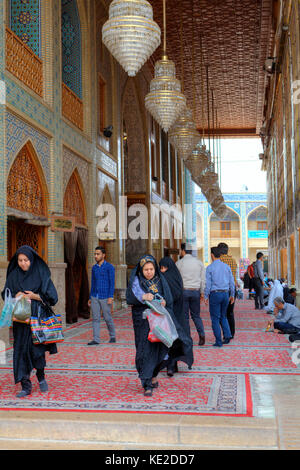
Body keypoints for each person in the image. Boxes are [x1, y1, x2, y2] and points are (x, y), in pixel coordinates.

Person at [1, 245, 59, 397]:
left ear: (32, 260)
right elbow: (5, 295)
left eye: (26, 260)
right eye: (20, 260)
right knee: (20, 351)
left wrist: (35, 296)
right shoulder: (13, 275)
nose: (23, 263)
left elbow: (53, 297)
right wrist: (16, 296)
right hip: (20, 323)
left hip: (37, 320)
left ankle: (40, 376)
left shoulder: (40, 274)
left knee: (37, 352)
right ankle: (25, 385)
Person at [126, 255, 186, 396]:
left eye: (151, 269)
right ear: (141, 270)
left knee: (161, 350)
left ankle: (153, 375)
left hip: (160, 324)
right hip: (143, 323)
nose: (149, 272)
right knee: (145, 351)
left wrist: (165, 302)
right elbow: (130, 297)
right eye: (146, 269)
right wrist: (143, 297)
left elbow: (169, 299)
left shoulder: (161, 280)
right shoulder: (137, 281)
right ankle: (147, 383)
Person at [159, 257, 194, 376]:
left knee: (169, 340)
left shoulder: (164, 279)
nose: (162, 270)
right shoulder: (177, 277)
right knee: (176, 338)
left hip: (169, 315)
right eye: (161, 268)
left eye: (163, 268)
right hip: (178, 315)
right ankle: (172, 365)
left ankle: (170, 365)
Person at [204, 246, 235, 347]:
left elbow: (208, 284)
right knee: (223, 316)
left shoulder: (210, 268)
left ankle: (218, 341)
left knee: (215, 318)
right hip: (225, 294)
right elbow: (232, 282)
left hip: (215, 294)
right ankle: (227, 336)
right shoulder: (226, 266)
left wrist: (205, 296)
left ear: (212, 255)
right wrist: (232, 295)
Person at [176, 244, 206, 345]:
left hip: (184, 291)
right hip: (195, 291)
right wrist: (202, 292)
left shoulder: (179, 263)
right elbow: (203, 279)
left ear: (183, 250)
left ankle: (188, 338)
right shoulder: (199, 263)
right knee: (196, 316)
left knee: (184, 317)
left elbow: (177, 280)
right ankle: (201, 335)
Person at [87, 246, 116, 345]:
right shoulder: (94, 268)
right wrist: (90, 297)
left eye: (98, 254)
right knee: (95, 318)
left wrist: (110, 297)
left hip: (105, 296)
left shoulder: (110, 267)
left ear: (103, 255)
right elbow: (93, 283)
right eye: (95, 254)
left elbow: (112, 283)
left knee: (107, 317)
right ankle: (96, 339)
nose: (96, 256)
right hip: (95, 296)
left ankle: (112, 336)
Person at [218, 243, 237, 338]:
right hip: (232, 289)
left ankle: (226, 333)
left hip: (223, 290)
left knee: (222, 314)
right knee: (230, 313)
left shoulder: (219, 260)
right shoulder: (233, 261)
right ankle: (232, 333)